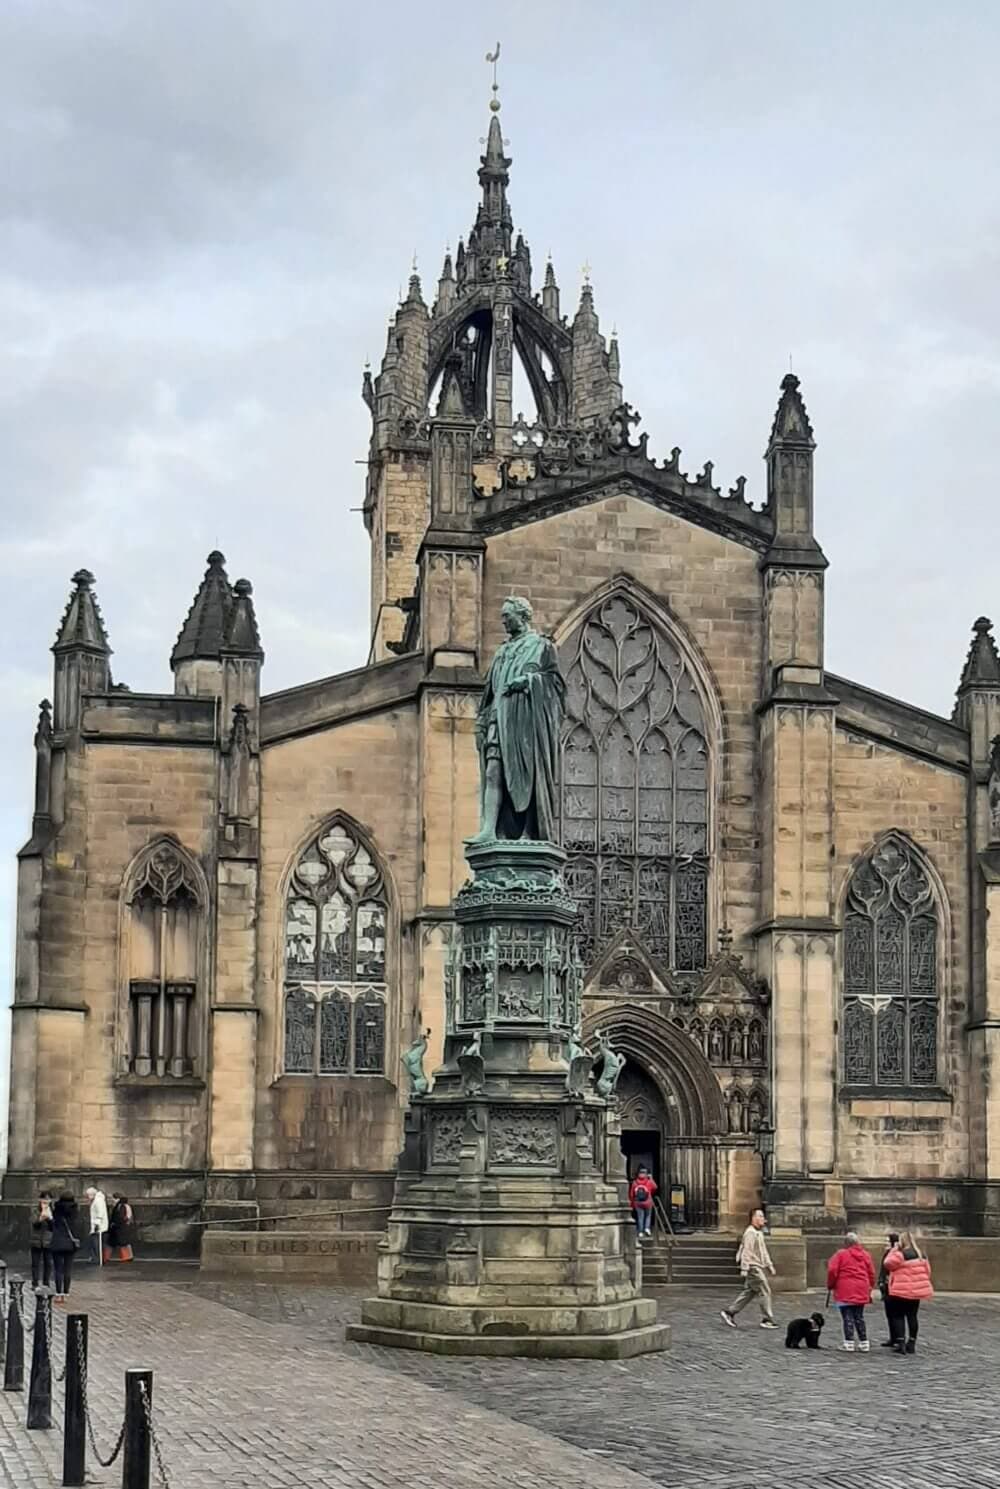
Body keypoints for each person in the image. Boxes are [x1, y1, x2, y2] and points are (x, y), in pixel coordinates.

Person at [720, 1207, 778, 1329]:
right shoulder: (750, 1233)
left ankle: (729, 1312)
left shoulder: (759, 1233)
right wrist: (745, 1268)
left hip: (756, 1265)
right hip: (753, 1266)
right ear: (753, 1218)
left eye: (763, 1216)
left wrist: (769, 1265)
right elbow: (747, 1251)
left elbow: (763, 1251)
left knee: (750, 1292)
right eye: (760, 1216)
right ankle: (767, 1319)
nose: (763, 1219)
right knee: (764, 1290)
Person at [883, 1230, 933, 1354]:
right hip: (916, 1292)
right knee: (912, 1316)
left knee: (898, 1316)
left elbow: (887, 1263)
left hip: (901, 1291)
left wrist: (894, 1250)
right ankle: (912, 1342)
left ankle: (900, 1343)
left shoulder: (900, 1254)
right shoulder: (921, 1255)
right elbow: (928, 1272)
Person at [826, 1231, 877, 1352]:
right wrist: (870, 1286)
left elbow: (832, 1270)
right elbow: (871, 1272)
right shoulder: (865, 1255)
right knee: (859, 1316)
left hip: (845, 1289)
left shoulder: (840, 1255)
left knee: (847, 1316)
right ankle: (864, 1342)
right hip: (861, 1288)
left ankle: (849, 1342)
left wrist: (831, 1284)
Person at [50, 1192, 80, 1302]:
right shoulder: (75, 1211)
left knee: (58, 1269)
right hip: (70, 1243)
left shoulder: (56, 1210)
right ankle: (66, 1293)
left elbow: (52, 1226)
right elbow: (77, 1227)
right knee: (68, 1269)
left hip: (57, 1241)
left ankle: (58, 1293)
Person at [877, 1230, 900, 1345]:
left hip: (892, 1286)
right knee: (890, 1314)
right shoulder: (887, 1253)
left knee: (894, 1314)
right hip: (886, 1286)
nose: (885, 1243)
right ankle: (893, 1337)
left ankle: (897, 1337)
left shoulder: (894, 1254)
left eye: (887, 1241)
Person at [29, 1190, 54, 1291]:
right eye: (44, 1200)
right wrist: (40, 1218)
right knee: (35, 1263)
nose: (46, 1202)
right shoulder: (35, 1210)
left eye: (48, 1200)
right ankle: (35, 1283)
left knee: (48, 1263)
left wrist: (49, 1218)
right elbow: (34, 1223)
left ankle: (46, 1283)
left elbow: (53, 1227)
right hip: (36, 1240)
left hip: (48, 1241)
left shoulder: (53, 1210)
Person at [628, 1165, 657, 1242]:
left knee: (640, 1217)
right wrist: (651, 1178)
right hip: (648, 1202)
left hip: (638, 1203)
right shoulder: (649, 1181)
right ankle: (647, 1228)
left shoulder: (634, 1182)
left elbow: (631, 1194)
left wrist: (632, 1203)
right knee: (648, 1216)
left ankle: (640, 1231)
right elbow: (655, 1188)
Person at [105, 1193, 135, 1263]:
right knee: (122, 1243)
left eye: (113, 1199)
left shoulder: (120, 1206)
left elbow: (120, 1217)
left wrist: (114, 1223)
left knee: (118, 1243)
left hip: (119, 1228)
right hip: (121, 1227)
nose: (112, 1200)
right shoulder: (124, 1205)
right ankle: (128, 1256)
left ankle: (126, 1257)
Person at [84, 1184, 108, 1265]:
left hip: (98, 1226)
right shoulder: (97, 1200)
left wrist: (97, 1224)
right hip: (97, 1225)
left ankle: (97, 1259)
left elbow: (99, 1213)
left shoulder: (98, 1201)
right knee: (96, 1243)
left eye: (88, 1195)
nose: (87, 1197)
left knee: (96, 1243)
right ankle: (96, 1258)